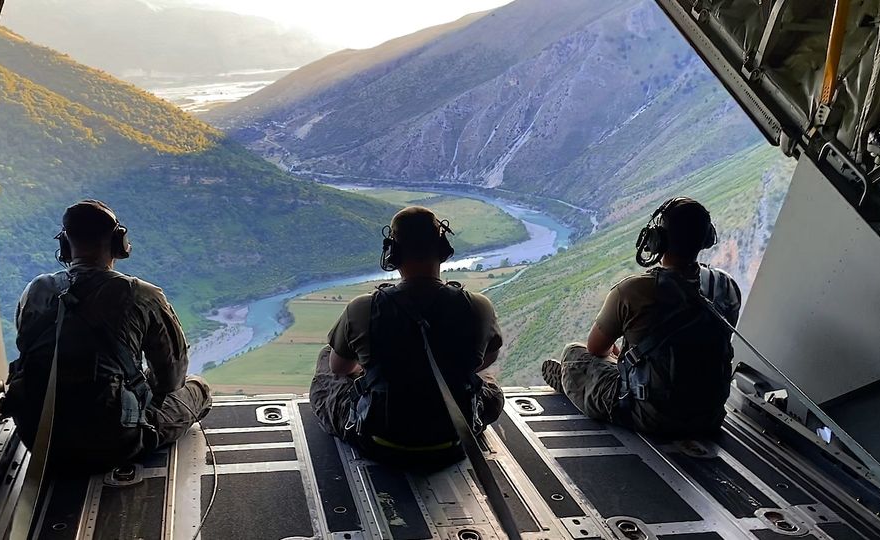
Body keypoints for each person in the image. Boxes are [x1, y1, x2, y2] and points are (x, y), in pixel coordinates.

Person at [3, 200, 211, 471]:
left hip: (39, 438)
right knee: (199, 389)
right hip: (113, 443)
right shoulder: (142, 295)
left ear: (65, 244)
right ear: (119, 243)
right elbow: (171, 380)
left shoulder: (36, 290)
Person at [310, 206, 505, 466]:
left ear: (393, 254)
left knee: (327, 357)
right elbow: (487, 359)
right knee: (485, 380)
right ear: (443, 249)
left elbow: (340, 367)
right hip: (456, 440)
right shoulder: (478, 306)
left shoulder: (363, 308)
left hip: (379, 442)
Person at [542, 197, 741, 435]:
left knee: (574, 354)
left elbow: (595, 348)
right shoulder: (726, 286)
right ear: (707, 238)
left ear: (657, 240)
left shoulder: (632, 291)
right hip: (709, 417)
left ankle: (575, 385)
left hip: (651, 417)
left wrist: (619, 355)